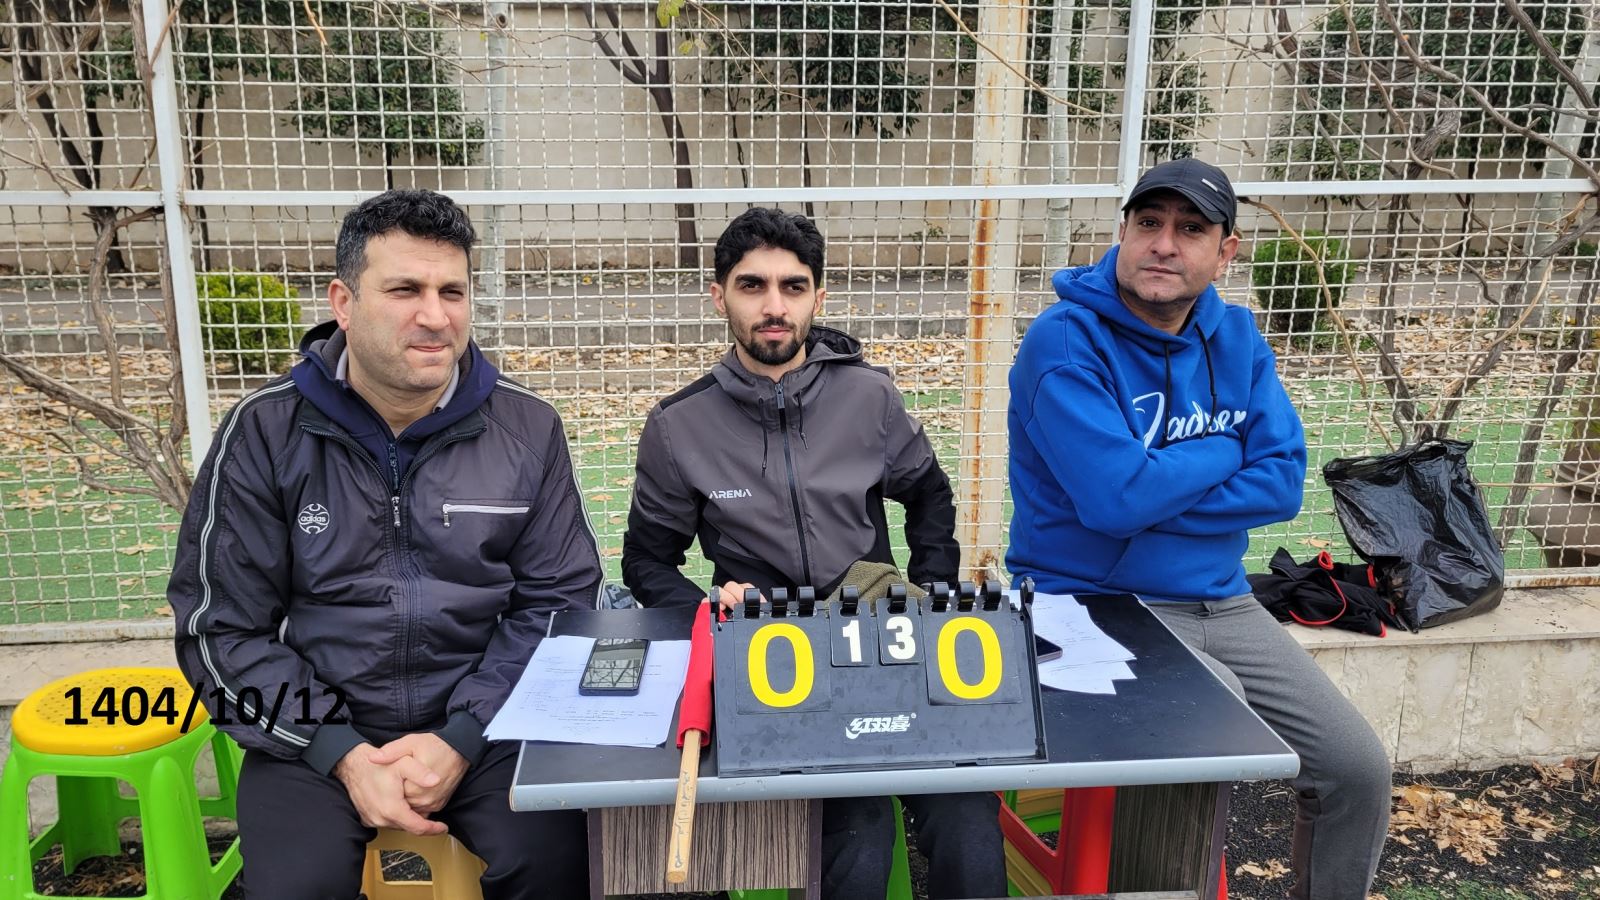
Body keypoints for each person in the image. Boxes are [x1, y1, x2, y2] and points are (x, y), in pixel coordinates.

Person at [169, 190, 600, 899]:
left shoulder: (527, 428)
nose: (435, 316)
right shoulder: (265, 431)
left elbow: (561, 606)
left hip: (490, 723)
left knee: (560, 866)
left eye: (451, 291)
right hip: (314, 728)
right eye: (405, 290)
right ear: (344, 302)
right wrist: (339, 753)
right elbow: (221, 629)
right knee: (295, 889)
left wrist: (462, 738)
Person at [1007, 158, 1392, 900]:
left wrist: (1153, 483)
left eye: (1190, 229)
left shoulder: (1237, 338)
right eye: (1148, 223)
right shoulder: (1065, 342)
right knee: (1203, 741)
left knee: (1356, 771)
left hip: (1225, 601)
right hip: (1092, 603)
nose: (1164, 244)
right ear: (1123, 232)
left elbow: (1280, 482)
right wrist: (1221, 450)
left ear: (1225, 251)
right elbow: (1115, 501)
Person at [621, 207, 1006, 900]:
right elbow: (646, 564)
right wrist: (711, 609)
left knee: (969, 820)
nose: (774, 306)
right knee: (859, 835)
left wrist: (932, 596)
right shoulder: (678, 426)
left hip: (884, 650)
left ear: (817, 298)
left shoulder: (870, 396)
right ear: (718, 296)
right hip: (774, 672)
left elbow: (929, 495)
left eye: (793, 287)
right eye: (752, 285)